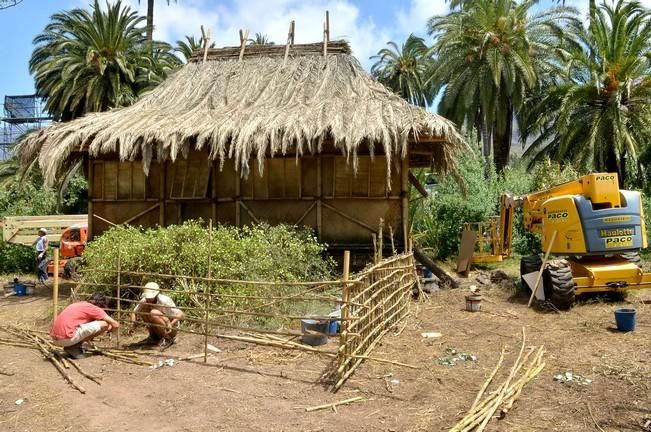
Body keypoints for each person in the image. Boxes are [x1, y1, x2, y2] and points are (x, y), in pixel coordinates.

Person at [50, 293, 119, 359]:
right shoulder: (94, 308)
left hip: (54, 339)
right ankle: (74, 347)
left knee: (99, 324)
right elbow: (115, 324)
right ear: (102, 304)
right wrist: (111, 330)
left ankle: (74, 345)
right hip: (66, 339)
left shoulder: (79, 304)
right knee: (105, 324)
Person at [130, 282, 184, 347]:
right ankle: (153, 336)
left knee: (154, 312)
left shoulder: (164, 300)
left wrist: (171, 324)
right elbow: (134, 312)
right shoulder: (144, 301)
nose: (148, 299)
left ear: (156, 295)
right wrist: (132, 325)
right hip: (157, 326)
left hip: (170, 329)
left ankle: (167, 338)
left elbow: (181, 314)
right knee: (143, 310)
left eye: (150, 297)